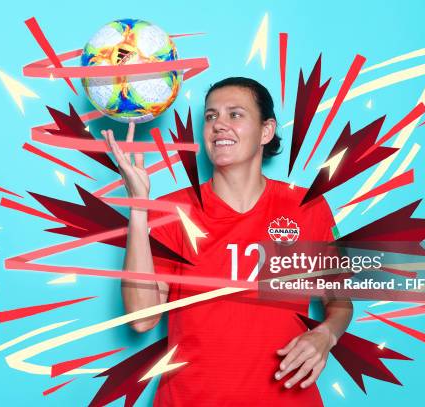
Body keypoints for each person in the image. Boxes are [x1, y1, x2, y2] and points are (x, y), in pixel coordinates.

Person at [102, 77, 353, 406]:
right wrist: (138, 209)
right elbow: (142, 319)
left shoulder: (308, 208)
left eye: (235, 114)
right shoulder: (173, 213)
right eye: (210, 116)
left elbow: (341, 302)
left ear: (266, 131)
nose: (219, 125)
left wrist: (327, 334)